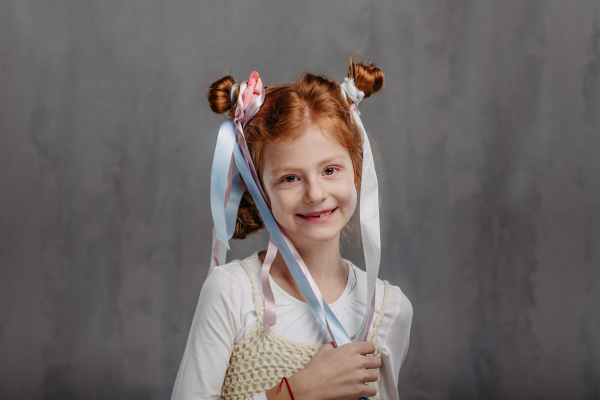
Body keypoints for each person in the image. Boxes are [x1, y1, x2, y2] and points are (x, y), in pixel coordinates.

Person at [171, 59, 413, 400]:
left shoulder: (389, 309)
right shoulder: (231, 293)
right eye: (289, 178)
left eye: (330, 170)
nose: (315, 193)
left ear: (357, 171)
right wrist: (293, 393)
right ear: (259, 191)